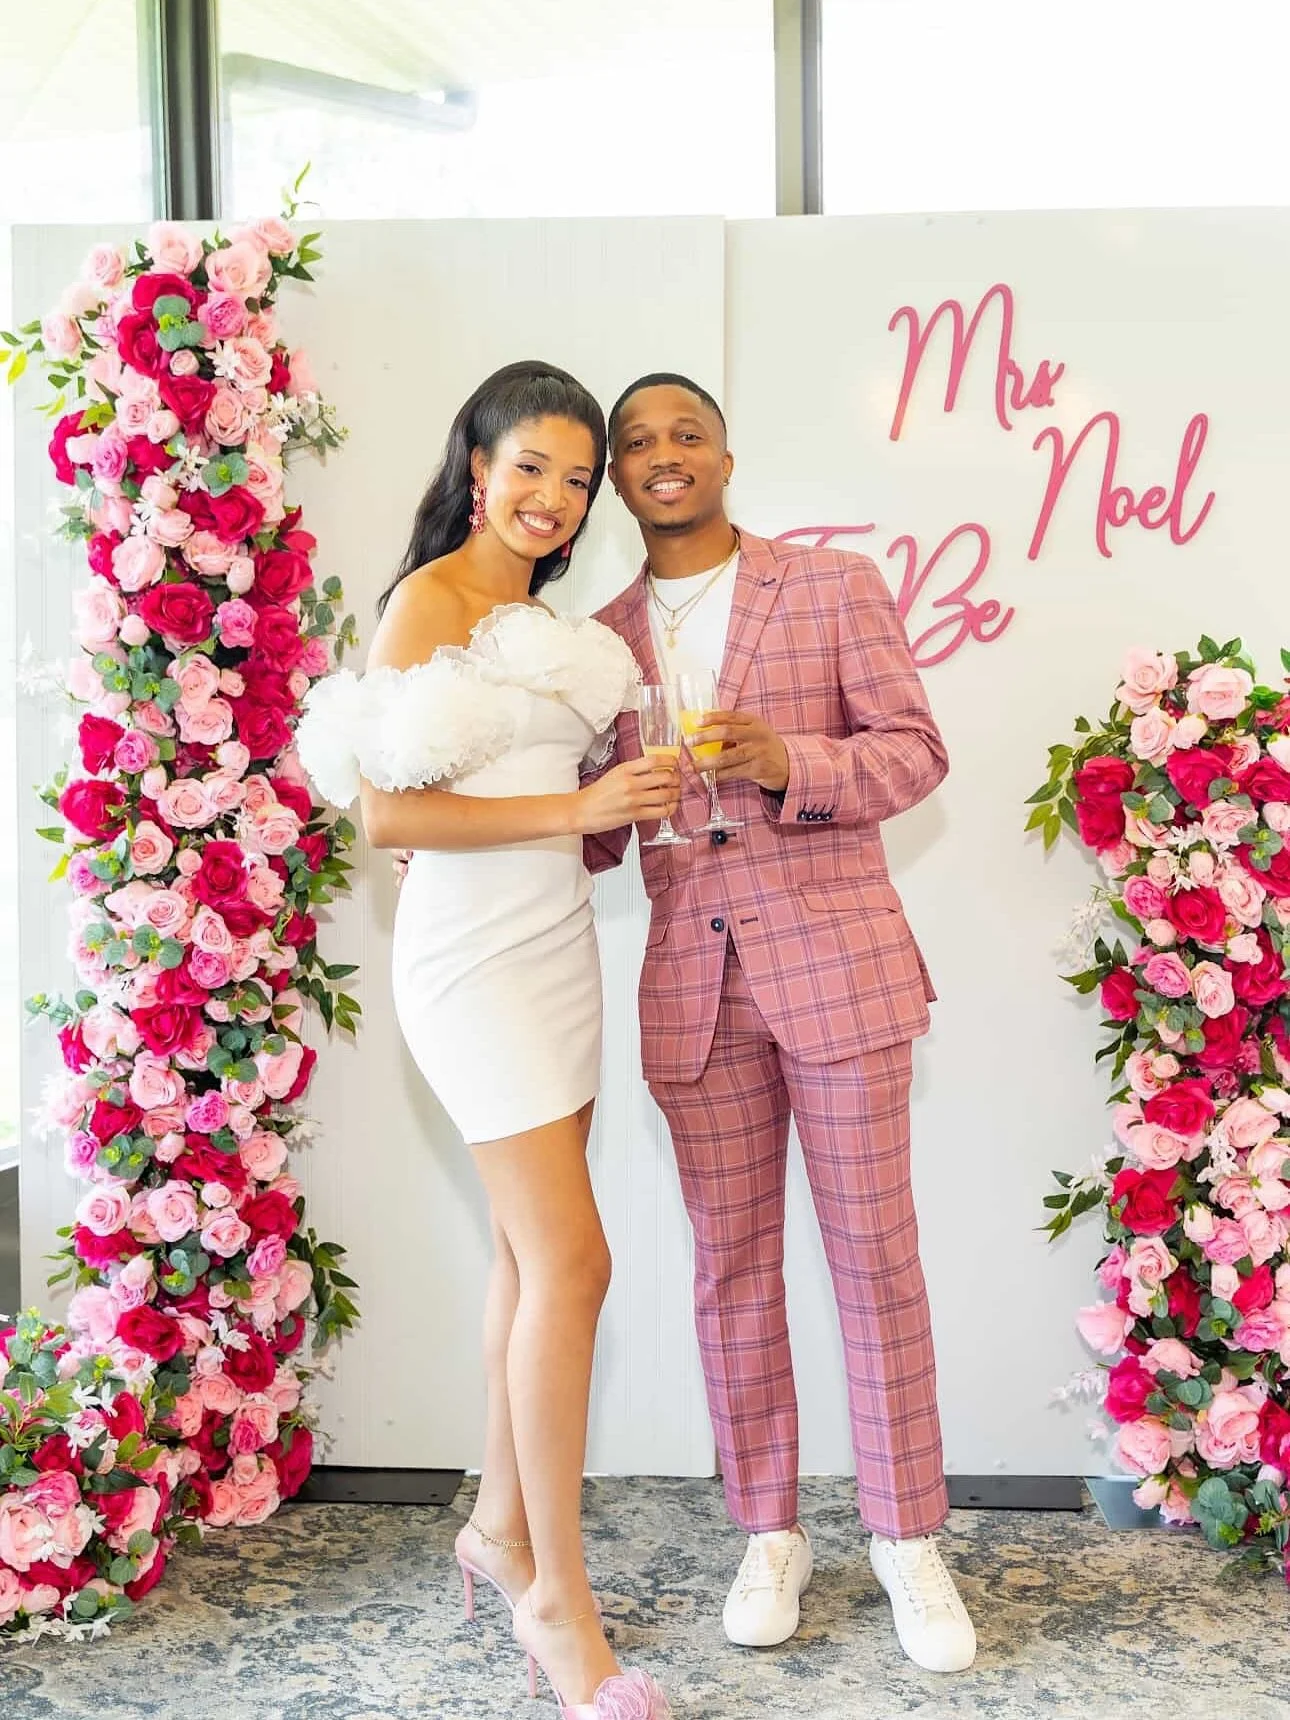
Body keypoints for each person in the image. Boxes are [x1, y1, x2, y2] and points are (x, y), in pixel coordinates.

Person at [296, 361, 676, 1718]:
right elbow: (388, 824)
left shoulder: (546, 625)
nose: (552, 498)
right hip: (469, 968)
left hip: (556, 949)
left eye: (576, 480)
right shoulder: (429, 603)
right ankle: (556, 1611)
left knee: (529, 1257)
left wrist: (611, 798)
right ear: (476, 465)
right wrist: (571, 817)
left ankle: (501, 1535)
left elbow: (533, 791)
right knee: (577, 1259)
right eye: (530, 467)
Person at [581, 374, 976, 1674]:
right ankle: (766, 1529)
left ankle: (906, 1539)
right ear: (615, 479)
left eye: (683, 433)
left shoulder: (828, 588)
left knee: (874, 1261)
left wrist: (785, 763)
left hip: (840, 972)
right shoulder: (597, 638)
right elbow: (586, 843)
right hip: (695, 998)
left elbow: (913, 752)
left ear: (726, 455)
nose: (662, 455)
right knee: (729, 1272)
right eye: (635, 443)